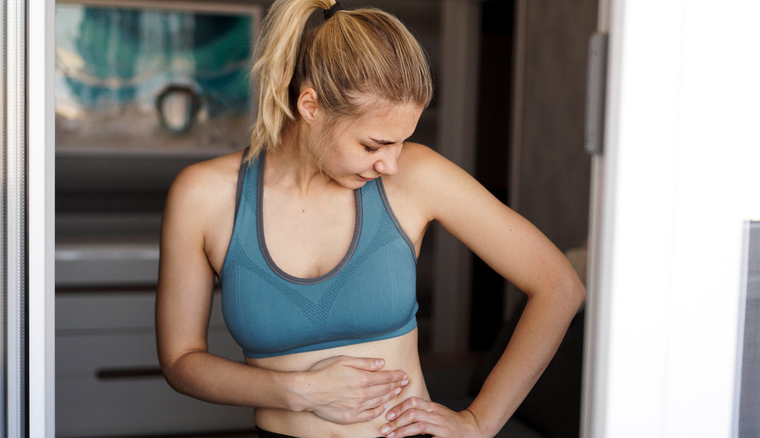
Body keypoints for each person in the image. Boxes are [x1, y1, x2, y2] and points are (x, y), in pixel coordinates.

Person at [155, 0, 585, 437]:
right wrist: (297, 391)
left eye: (402, 142)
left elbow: (558, 286)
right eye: (373, 144)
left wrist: (478, 422)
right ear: (310, 106)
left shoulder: (417, 177)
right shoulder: (203, 197)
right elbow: (180, 361)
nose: (391, 165)